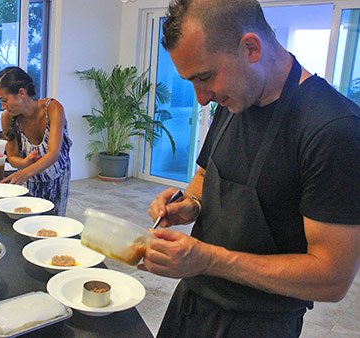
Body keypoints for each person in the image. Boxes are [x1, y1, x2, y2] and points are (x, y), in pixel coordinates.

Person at [140, 0, 360, 337]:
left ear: (251, 48)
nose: (201, 98)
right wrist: (190, 204)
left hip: (260, 324)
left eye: (205, 77)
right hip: (193, 302)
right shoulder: (234, 100)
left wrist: (210, 259)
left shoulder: (333, 129)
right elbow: (205, 174)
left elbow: (331, 278)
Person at [0, 67, 72, 216]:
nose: (3, 106)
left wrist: (25, 173)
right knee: (29, 219)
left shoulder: (53, 108)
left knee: (53, 223)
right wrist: (24, 164)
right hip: (30, 181)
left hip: (57, 178)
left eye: (5, 100)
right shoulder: (7, 117)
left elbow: (53, 154)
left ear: (22, 93)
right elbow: (12, 157)